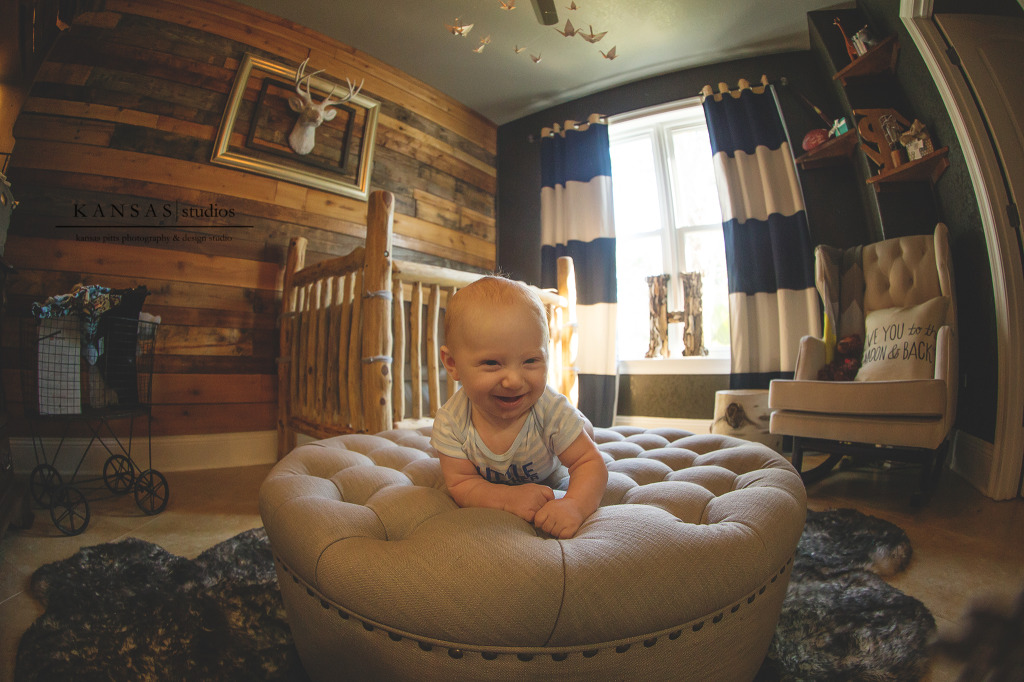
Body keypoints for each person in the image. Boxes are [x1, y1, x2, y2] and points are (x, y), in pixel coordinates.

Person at [430, 276, 608, 539]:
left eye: (530, 361)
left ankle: (581, 424)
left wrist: (574, 505)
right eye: (492, 363)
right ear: (452, 363)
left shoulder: (549, 411)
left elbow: (591, 463)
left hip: (552, 458)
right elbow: (462, 483)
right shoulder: (451, 423)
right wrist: (506, 498)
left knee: (581, 432)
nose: (513, 381)